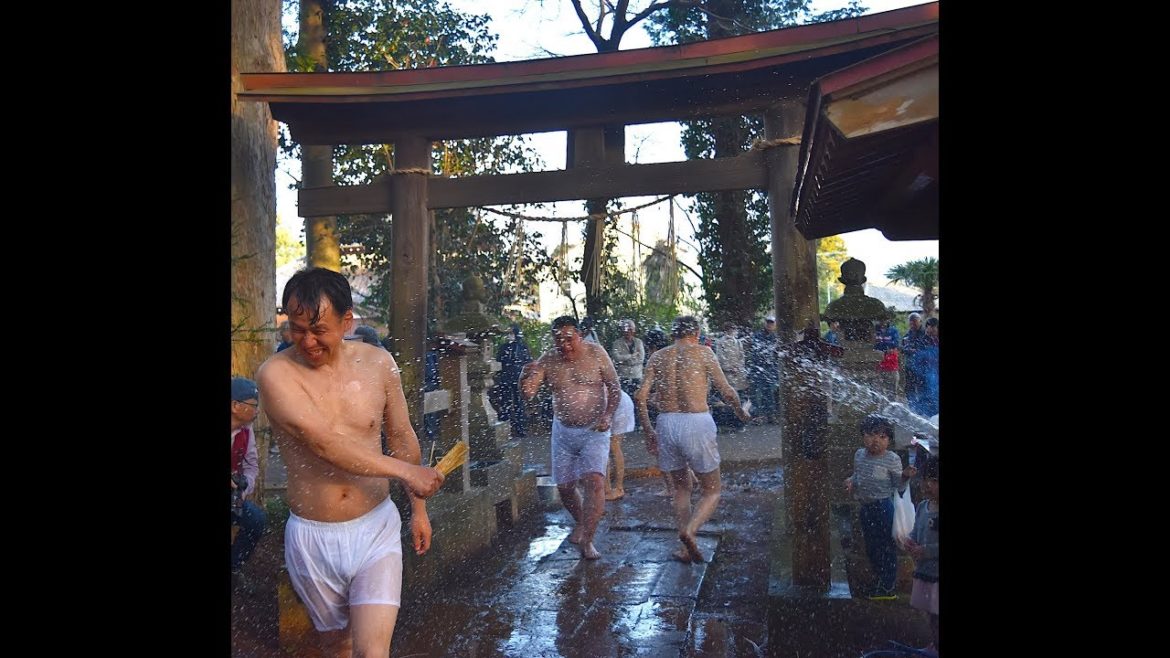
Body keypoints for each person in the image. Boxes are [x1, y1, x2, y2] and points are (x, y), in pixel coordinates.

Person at [256, 267, 445, 657]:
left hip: (376, 526)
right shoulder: (274, 374)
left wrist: (418, 509)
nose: (307, 341)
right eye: (297, 328)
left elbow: (401, 436)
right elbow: (324, 443)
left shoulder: (379, 364)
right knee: (336, 646)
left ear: (347, 321)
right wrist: (406, 472)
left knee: (372, 652)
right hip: (313, 536)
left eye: (319, 329)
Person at [636, 316, 751, 563]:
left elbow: (641, 396)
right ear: (697, 333)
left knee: (680, 488)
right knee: (712, 490)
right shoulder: (705, 353)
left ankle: (684, 547)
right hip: (696, 421)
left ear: (672, 334)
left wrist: (648, 431)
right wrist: (740, 411)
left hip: (666, 423)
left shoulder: (658, 357)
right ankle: (691, 530)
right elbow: (726, 390)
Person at [520, 316, 621, 560]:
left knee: (595, 481)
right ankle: (583, 523)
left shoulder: (596, 354)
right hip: (563, 431)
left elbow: (615, 387)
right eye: (558, 339)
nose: (564, 344)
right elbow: (528, 394)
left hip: (594, 429)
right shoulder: (547, 360)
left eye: (569, 338)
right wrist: (523, 378)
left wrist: (608, 415)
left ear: (579, 335)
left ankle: (588, 540)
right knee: (565, 488)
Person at [843, 413, 916, 600]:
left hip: (884, 507)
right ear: (863, 435)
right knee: (872, 547)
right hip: (866, 507)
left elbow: (899, 486)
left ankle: (887, 587)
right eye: (871, 434)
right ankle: (879, 581)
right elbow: (858, 475)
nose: (876, 440)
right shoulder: (859, 455)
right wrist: (851, 481)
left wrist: (906, 476)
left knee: (886, 547)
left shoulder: (891, 459)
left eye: (882, 437)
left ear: (889, 440)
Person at [230, 377, 268, 589]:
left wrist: (244, 487)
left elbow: (252, 466)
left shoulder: (246, 430)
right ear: (235, 406)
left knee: (256, 520)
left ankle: (234, 566)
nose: (256, 411)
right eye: (253, 406)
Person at [904, 456, 939, 653]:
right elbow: (916, 531)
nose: (928, 484)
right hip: (925, 572)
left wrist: (926, 550)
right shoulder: (922, 507)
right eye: (926, 478)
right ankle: (935, 644)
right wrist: (910, 541)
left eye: (935, 481)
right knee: (931, 613)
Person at [495, 323, 533, 439]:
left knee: (519, 404)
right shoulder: (504, 347)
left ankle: (520, 428)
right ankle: (504, 429)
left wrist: (526, 377)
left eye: (511, 333)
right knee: (505, 403)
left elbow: (528, 362)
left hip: (518, 378)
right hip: (506, 379)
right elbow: (499, 361)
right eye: (508, 333)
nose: (509, 336)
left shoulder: (522, 347)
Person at [747, 316, 779, 424]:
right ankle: (758, 416)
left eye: (772, 323)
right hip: (758, 369)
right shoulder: (757, 336)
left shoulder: (775, 337)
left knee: (769, 392)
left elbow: (776, 354)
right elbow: (755, 352)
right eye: (768, 323)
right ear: (765, 323)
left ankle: (770, 415)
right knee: (756, 393)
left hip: (770, 370)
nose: (770, 325)